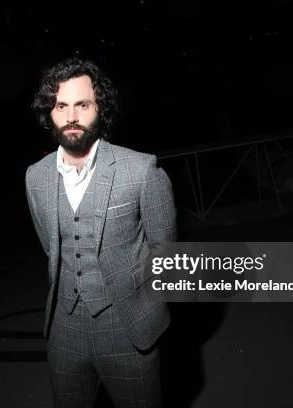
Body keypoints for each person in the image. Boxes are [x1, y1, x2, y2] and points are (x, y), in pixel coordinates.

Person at [26, 57, 177, 408]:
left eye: (83, 104)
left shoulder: (142, 170)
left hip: (127, 330)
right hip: (63, 330)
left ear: (101, 108)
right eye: (60, 105)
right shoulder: (35, 177)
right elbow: (51, 249)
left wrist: (146, 315)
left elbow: (165, 254)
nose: (71, 117)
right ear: (49, 112)